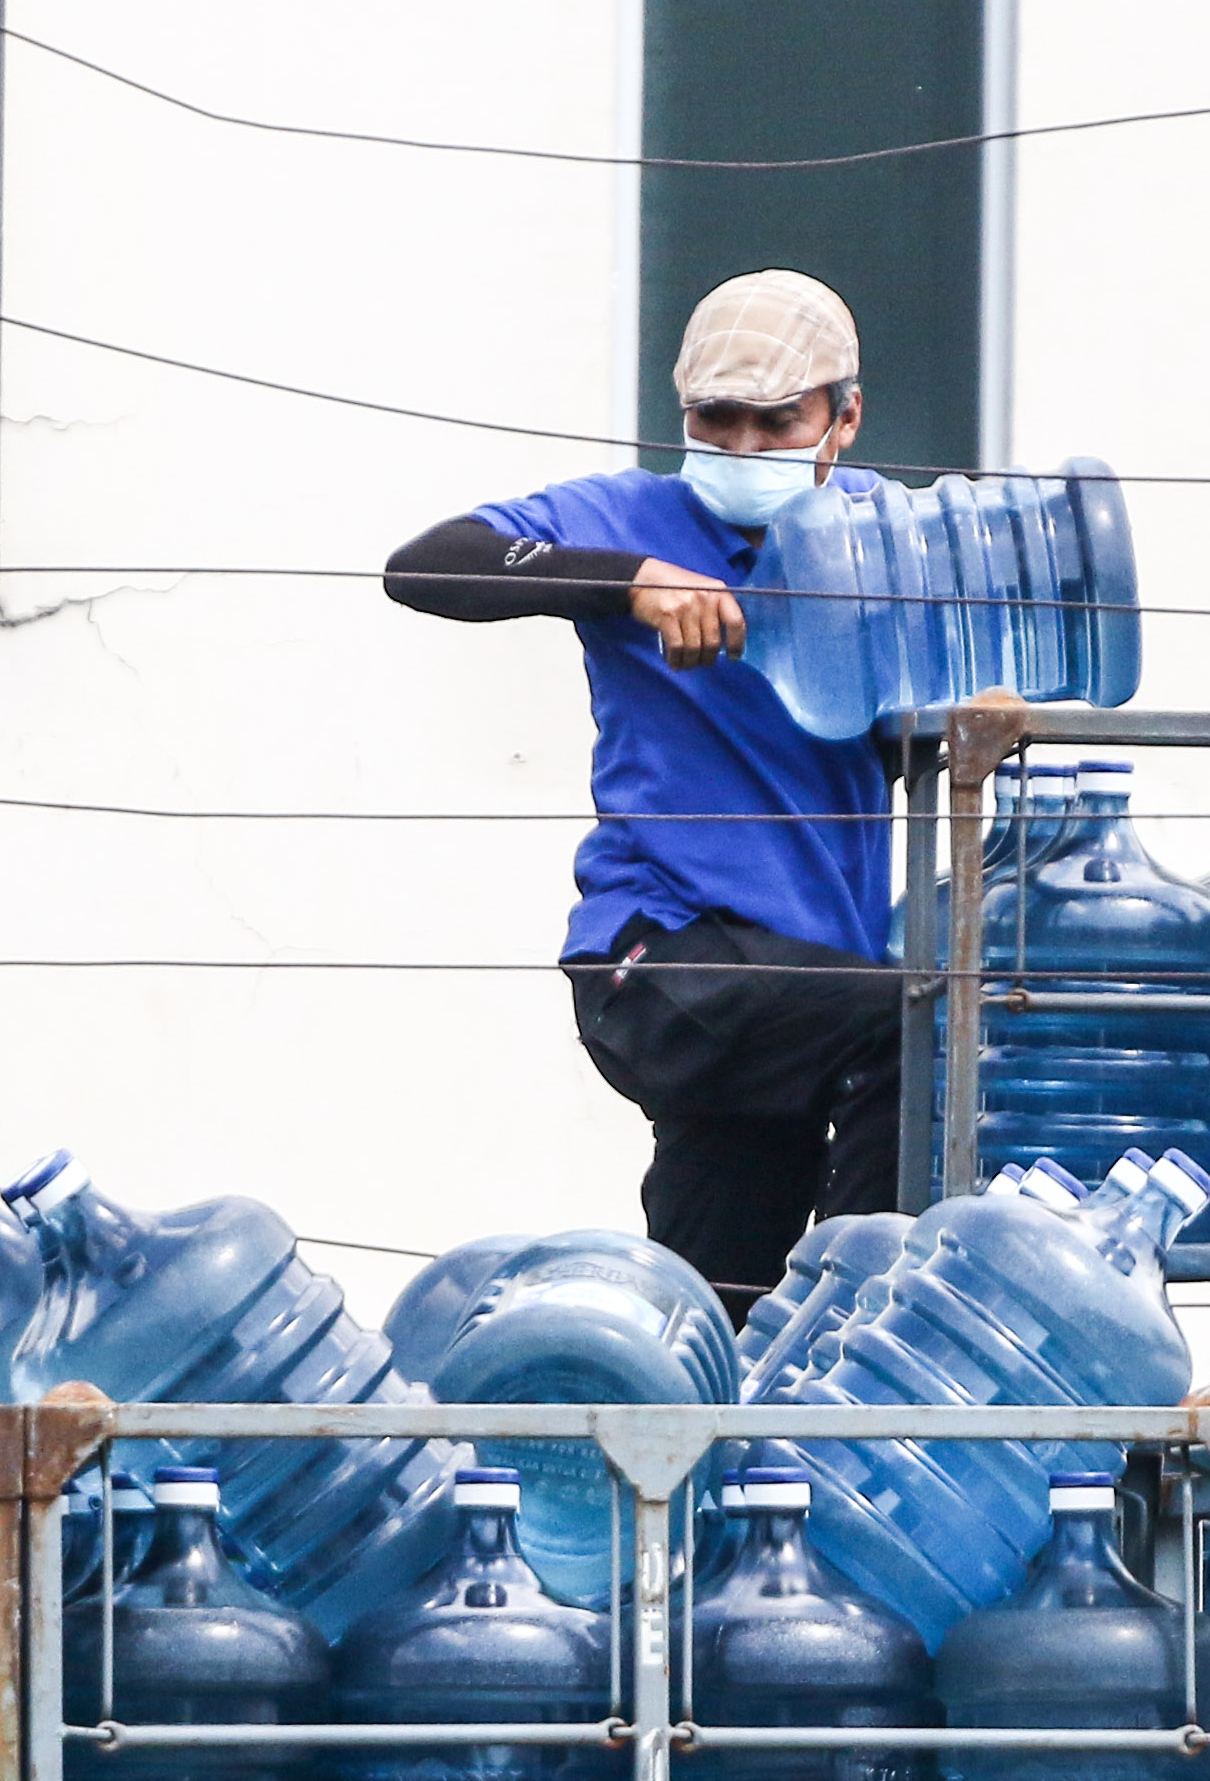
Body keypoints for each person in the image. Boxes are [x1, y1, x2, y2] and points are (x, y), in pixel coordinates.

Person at [383, 269, 900, 1306]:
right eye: (717, 421)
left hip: (806, 989)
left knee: (712, 1319)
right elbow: (430, 563)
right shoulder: (629, 514)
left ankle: (742, 1423)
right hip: (665, 958)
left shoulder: (883, 540)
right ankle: (862, 1326)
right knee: (915, 1026)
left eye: (775, 421)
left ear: (842, 420)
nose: (743, 449)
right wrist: (629, 579)